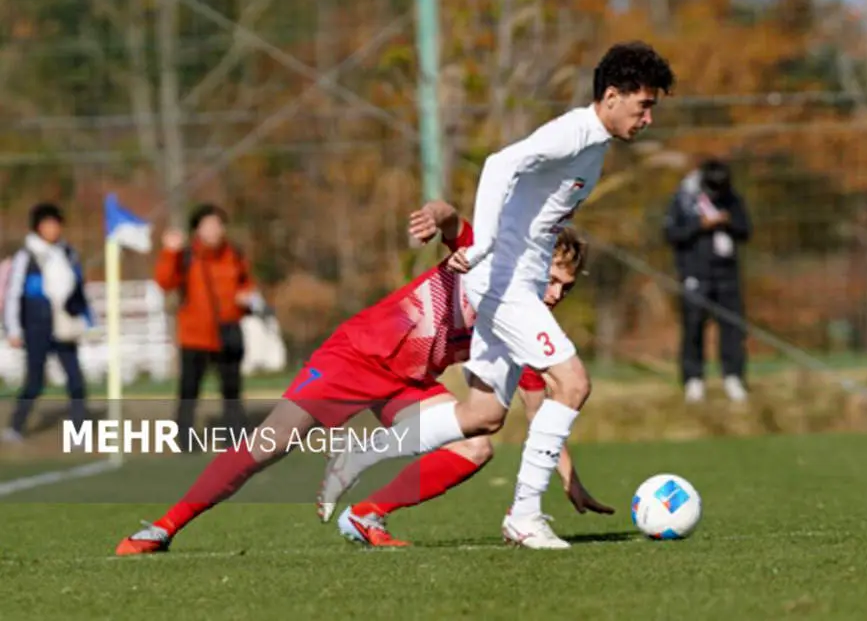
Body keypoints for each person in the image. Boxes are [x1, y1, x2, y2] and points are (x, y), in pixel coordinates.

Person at [319, 41, 675, 549]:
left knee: (482, 415)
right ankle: (525, 516)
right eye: (643, 106)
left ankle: (363, 453)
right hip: (504, 284)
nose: (647, 119)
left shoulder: (596, 146)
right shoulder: (575, 131)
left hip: (516, 283)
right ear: (612, 96)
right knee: (572, 384)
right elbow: (499, 163)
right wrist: (483, 240)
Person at [114, 201, 609, 555]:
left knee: (476, 444)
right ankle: (163, 526)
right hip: (357, 357)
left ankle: (367, 513)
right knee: (269, 445)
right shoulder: (492, 265)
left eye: (566, 288)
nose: (556, 294)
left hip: (408, 382)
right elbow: (451, 219)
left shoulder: (523, 321)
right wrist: (434, 217)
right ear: (533, 266)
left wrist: (569, 476)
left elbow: (538, 402)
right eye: (552, 280)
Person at [155, 204, 262, 444]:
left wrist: (247, 298)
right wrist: (170, 252)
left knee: (232, 390)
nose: (214, 231)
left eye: (218, 225)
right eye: (208, 226)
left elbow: (247, 283)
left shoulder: (234, 254)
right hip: (195, 335)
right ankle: (184, 437)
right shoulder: (186, 256)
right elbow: (165, 281)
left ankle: (234, 437)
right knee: (189, 389)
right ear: (197, 230)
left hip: (229, 331)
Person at [2, 203, 93, 444]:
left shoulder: (68, 254)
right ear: (38, 227)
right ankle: (15, 426)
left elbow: (79, 291)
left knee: (76, 381)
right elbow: (13, 294)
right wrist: (12, 328)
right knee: (34, 381)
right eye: (47, 224)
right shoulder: (26, 256)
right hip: (36, 327)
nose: (52, 229)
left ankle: (78, 434)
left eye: (56, 224)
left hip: (64, 326)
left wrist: (88, 320)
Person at [663, 158, 752, 403]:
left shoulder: (732, 199)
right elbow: (671, 233)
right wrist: (700, 225)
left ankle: (733, 377)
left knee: (732, 329)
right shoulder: (685, 200)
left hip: (727, 274)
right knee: (693, 328)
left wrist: (727, 221)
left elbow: (746, 230)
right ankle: (694, 381)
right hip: (695, 273)